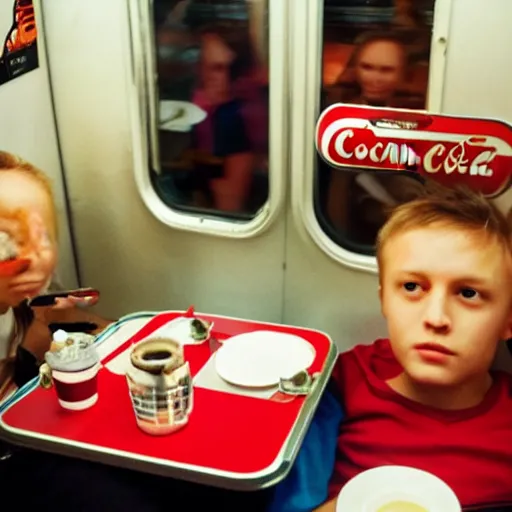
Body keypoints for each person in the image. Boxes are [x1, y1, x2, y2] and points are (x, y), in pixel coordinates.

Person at [0, 151, 272, 511]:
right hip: (20, 459)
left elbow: (43, 340)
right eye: (8, 240)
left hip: (46, 428)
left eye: (41, 235)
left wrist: (126, 336)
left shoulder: (21, 306)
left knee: (224, 487)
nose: (32, 257)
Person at [302, 184, 512, 511]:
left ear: (507, 321)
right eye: (412, 287)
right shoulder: (340, 383)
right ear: (384, 299)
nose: (436, 318)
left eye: (468, 293)